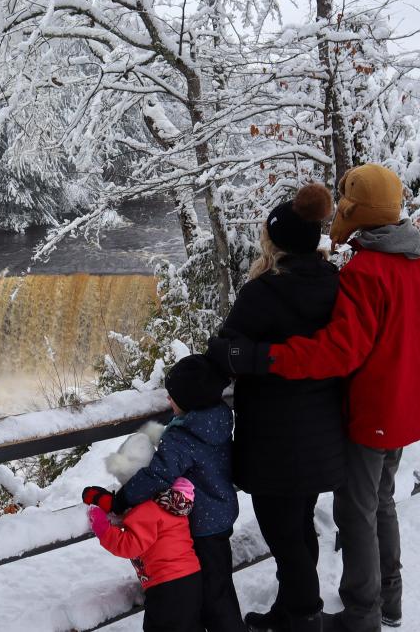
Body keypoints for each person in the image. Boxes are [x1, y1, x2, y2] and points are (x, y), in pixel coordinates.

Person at [208, 164, 420, 632]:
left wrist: (263, 357)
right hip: (407, 406)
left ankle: (361, 615)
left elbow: (338, 351)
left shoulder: (366, 272)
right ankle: (389, 600)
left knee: (355, 512)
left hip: (371, 411)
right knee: (381, 502)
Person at [213, 183, 347, 632]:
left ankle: (305, 618)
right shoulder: (335, 284)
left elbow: (225, 351)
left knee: (285, 536)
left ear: (275, 243)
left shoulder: (263, 293)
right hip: (321, 434)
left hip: (274, 441)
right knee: (299, 527)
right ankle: (289, 613)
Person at [84, 354, 244, 632]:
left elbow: (157, 474)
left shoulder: (183, 438)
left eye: (173, 396)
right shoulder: (216, 418)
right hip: (221, 513)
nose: (168, 399)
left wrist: (121, 500)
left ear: (190, 401)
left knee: (213, 596)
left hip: (201, 525)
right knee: (217, 586)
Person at [87, 477, 204, 632]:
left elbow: (129, 545)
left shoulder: (147, 509)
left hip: (167, 585)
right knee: (189, 625)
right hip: (191, 578)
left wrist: (103, 529)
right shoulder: (171, 504)